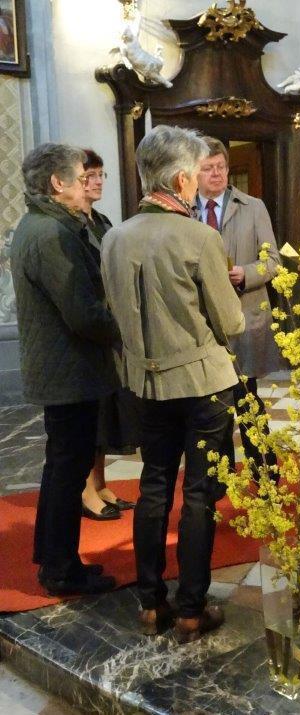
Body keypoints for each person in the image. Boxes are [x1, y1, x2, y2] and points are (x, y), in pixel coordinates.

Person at [101, 125, 245, 642]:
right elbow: (231, 321)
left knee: (154, 485)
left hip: (144, 383)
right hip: (202, 384)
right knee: (200, 494)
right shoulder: (200, 237)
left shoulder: (114, 237)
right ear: (183, 179)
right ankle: (190, 609)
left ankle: (150, 602)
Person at [10, 143, 119, 596]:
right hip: (68, 371)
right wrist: (126, 326)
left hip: (64, 368)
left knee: (63, 469)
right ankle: (60, 569)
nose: (86, 183)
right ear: (58, 183)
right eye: (80, 176)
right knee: (66, 471)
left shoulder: (40, 224)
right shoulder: (52, 233)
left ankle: (58, 561)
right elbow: (83, 314)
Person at [196, 137, 282, 479]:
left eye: (221, 167)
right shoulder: (185, 210)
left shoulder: (252, 206)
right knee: (213, 406)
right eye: (208, 168)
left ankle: (265, 475)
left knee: (248, 399)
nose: (217, 174)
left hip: (244, 316)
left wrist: (246, 273)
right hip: (204, 324)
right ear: (194, 172)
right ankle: (221, 478)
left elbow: (273, 261)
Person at [80, 149, 139, 520]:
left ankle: (100, 483)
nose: (98, 181)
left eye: (102, 174)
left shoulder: (100, 221)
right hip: (89, 332)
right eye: (91, 175)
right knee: (91, 416)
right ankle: (86, 489)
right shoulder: (72, 225)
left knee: (106, 414)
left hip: (110, 328)